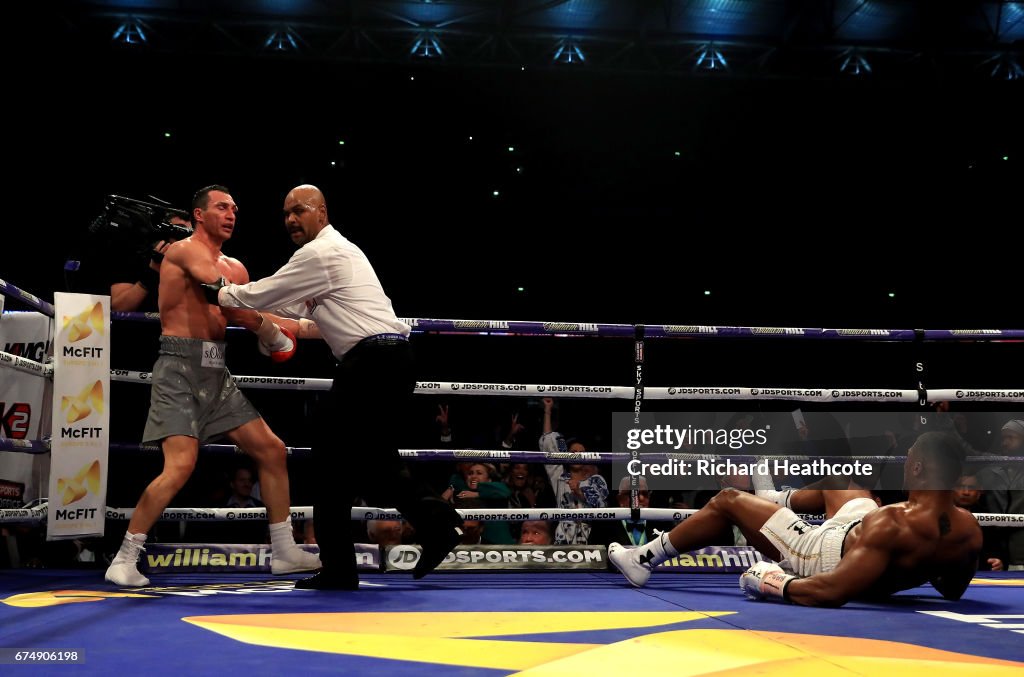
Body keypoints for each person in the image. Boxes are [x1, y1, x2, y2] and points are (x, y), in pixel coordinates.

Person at [205, 183, 463, 589]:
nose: (291, 218)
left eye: (300, 210)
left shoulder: (321, 253)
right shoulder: (327, 259)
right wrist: (258, 319)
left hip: (374, 363)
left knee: (332, 460)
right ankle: (425, 528)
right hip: (384, 362)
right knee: (367, 461)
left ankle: (414, 533)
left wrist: (219, 293)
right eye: (286, 213)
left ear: (322, 213)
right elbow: (297, 315)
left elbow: (265, 292)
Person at [104, 185, 321, 587]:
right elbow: (225, 297)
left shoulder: (236, 268)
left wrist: (314, 329)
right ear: (199, 215)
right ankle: (124, 557)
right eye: (222, 207)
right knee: (180, 465)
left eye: (235, 208)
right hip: (179, 369)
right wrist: (270, 327)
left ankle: (284, 550)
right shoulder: (183, 250)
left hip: (217, 372)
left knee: (272, 451)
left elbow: (248, 311)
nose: (231, 213)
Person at [609, 432, 983, 607]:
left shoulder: (891, 523)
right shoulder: (969, 528)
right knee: (844, 484)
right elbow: (952, 590)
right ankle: (776, 498)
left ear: (916, 467)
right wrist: (914, 563)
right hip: (860, 534)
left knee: (728, 500)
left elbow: (831, 590)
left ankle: (643, 558)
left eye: (908, 461)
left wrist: (775, 582)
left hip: (825, 553)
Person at [110, 214, 193, 312]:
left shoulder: (203, 264)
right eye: (179, 233)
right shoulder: (136, 259)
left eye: (190, 234)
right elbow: (119, 308)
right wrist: (152, 272)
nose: (185, 240)